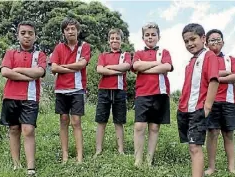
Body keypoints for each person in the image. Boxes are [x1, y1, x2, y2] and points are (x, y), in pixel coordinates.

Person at [177, 23, 219, 177]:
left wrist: (207, 106)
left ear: (203, 39)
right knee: (193, 147)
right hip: (185, 109)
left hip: (198, 109)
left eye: (193, 39)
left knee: (195, 148)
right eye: (186, 41)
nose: (189, 43)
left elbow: (214, 80)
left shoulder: (208, 56)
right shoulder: (192, 61)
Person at [0, 21, 46, 176]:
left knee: (28, 130)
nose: (27, 36)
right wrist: (26, 77)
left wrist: (17, 70)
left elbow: (39, 72)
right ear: (18, 35)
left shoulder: (40, 55)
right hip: (10, 97)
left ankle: (30, 168)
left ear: (35, 36)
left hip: (31, 97)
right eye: (23, 33)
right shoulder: (10, 53)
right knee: (13, 129)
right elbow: (5, 72)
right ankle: (16, 164)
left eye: (30, 33)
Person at [132, 22, 173, 167]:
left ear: (158, 37)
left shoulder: (164, 52)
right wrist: (157, 64)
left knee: (154, 127)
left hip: (160, 93)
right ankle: (138, 159)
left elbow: (167, 66)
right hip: (142, 93)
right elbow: (136, 66)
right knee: (139, 126)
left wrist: (145, 68)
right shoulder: (138, 53)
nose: (150, 37)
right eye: (147, 35)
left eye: (153, 35)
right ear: (143, 38)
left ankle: (149, 160)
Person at [50, 17, 91, 163]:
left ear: (78, 31)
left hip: (77, 89)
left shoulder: (84, 46)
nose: (70, 31)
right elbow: (53, 68)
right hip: (61, 90)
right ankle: (65, 155)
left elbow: (82, 65)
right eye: (67, 29)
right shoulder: (58, 48)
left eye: (73, 28)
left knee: (76, 121)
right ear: (63, 33)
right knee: (63, 120)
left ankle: (80, 156)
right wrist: (72, 66)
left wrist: (63, 67)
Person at [204, 29, 235, 175]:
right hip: (210, 102)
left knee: (229, 134)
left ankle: (232, 168)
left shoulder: (230, 59)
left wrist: (217, 78)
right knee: (212, 133)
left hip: (228, 102)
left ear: (223, 42)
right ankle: (211, 167)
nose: (215, 42)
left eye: (218, 39)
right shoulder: (205, 60)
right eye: (212, 40)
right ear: (206, 43)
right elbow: (205, 75)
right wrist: (226, 73)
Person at [95, 28, 131, 156]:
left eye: (117, 38)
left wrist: (108, 68)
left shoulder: (125, 55)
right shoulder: (103, 55)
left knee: (119, 121)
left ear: (121, 41)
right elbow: (99, 69)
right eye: (112, 38)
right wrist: (117, 71)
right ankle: (98, 150)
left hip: (119, 91)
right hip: (104, 90)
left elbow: (126, 66)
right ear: (108, 40)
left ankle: (121, 150)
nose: (114, 40)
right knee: (101, 120)